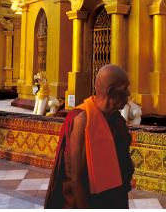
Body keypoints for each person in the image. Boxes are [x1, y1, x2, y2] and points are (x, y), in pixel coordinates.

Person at [45, 64, 134, 209]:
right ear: (111, 91)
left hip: (113, 198)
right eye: (125, 89)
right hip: (88, 202)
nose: (129, 93)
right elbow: (77, 179)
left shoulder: (116, 119)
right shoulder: (83, 120)